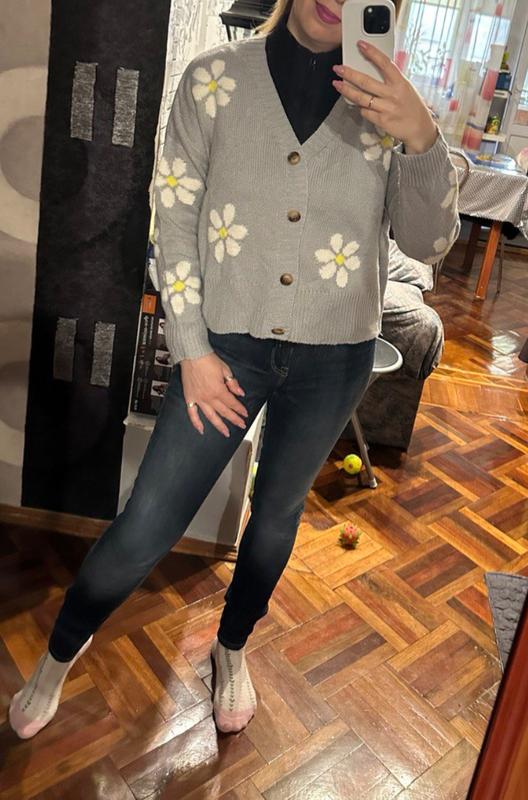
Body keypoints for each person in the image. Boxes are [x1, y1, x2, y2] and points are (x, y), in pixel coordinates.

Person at [9, 0, 460, 738]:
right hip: (224, 351)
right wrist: (191, 350)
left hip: (336, 355)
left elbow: (428, 243)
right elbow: (174, 217)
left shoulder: (393, 103)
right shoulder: (214, 77)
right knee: (148, 520)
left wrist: (421, 138)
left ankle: (232, 645)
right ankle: (60, 652)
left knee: (277, 515)